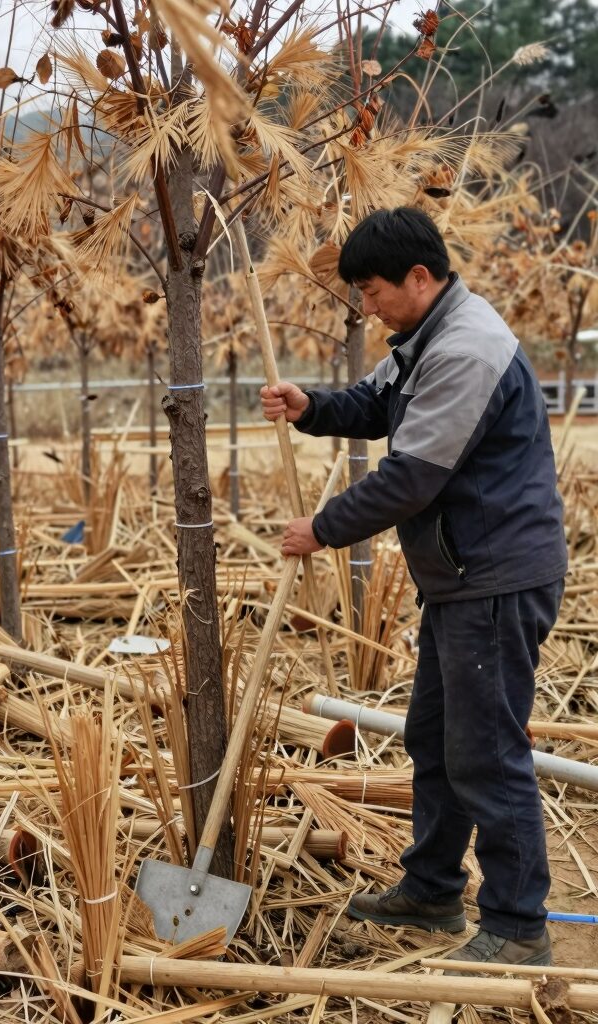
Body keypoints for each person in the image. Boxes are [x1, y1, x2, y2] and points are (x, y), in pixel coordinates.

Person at [261, 207, 567, 969]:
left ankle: (518, 924)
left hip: (494, 579)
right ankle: (431, 888)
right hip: (463, 577)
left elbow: (413, 478)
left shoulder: (468, 348)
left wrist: (323, 528)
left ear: (419, 278)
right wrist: (312, 409)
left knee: (486, 753)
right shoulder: (426, 336)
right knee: (435, 740)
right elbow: (373, 405)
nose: (365, 306)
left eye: (371, 290)